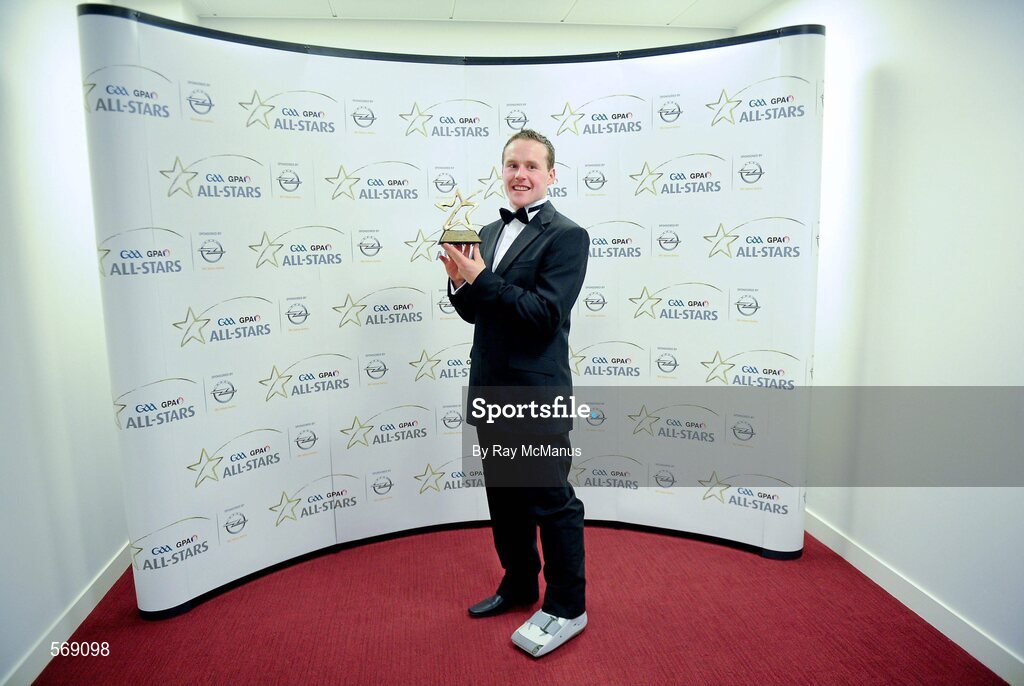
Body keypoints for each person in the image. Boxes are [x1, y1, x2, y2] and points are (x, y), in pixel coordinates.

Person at [439, 129, 589, 656]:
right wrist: (460, 282)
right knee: (503, 497)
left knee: (551, 501)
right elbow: (481, 311)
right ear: (501, 171)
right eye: (511, 165)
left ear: (551, 173)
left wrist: (482, 279)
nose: (519, 174)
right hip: (489, 386)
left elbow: (544, 316)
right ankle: (520, 583)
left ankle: (568, 605)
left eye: (531, 165)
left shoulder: (568, 236)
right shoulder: (486, 229)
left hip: (536, 392)